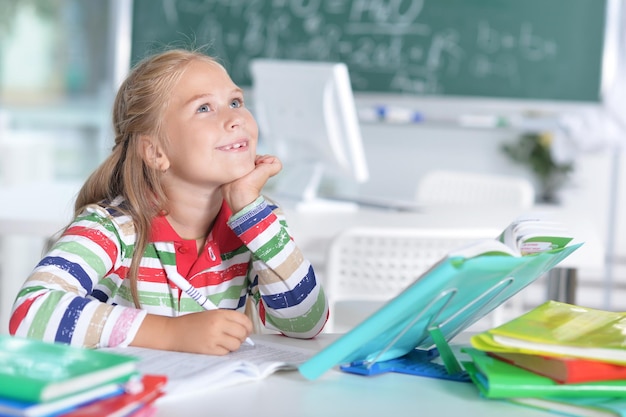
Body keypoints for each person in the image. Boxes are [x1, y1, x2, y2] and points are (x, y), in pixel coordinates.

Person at [9, 48, 328, 355]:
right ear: (155, 152)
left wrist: (249, 206)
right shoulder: (111, 229)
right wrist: (171, 333)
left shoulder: (258, 221)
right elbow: (29, 314)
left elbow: (306, 323)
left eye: (235, 101)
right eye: (204, 108)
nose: (235, 119)